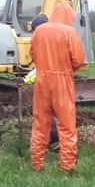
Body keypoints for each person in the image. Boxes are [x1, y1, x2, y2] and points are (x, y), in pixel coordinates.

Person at [29, 0, 85, 172]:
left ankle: (37, 164)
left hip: (42, 81)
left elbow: (32, 54)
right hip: (62, 82)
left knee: (40, 124)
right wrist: (66, 69)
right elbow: (78, 60)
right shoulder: (69, 32)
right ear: (67, 16)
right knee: (66, 126)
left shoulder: (39, 30)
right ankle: (67, 166)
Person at [26, 13, 59, 152]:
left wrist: (25, 80)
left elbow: (40, 67)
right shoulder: (60, 38)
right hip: (62, 82)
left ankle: (55, 139)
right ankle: (59, 140)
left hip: (48, 82)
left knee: (43, 111)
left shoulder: (40, 43)